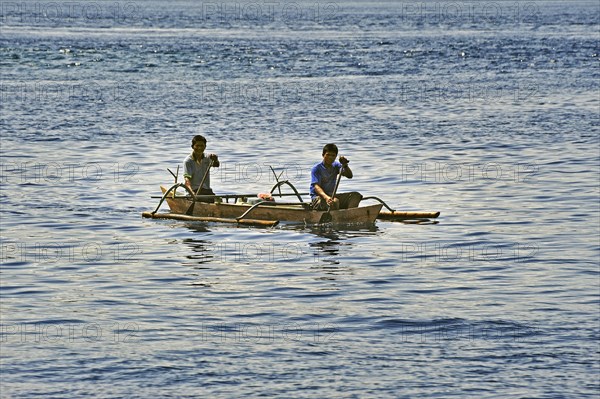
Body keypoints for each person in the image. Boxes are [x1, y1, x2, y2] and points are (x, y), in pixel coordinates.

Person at [310, 143, 362, 210]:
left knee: (356, 196)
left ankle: (350, 215)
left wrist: (345, 165)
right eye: (328, 155)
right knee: (335, 201)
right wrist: (326, 197)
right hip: (318, 198)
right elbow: (316, 187)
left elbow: (349, 175)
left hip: (332, 196)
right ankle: (337, 218)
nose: (330, 157)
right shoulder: (317, 168)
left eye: (333, 155)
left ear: (336, 156)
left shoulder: (336, 165)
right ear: (323, 155)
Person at [183, 135, 220, 201]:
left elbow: (216, 165)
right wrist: (192, 193)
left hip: (206, 191)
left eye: (202, 146)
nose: (199, 148)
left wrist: (215, 159)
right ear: (192, 146)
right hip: (194, 191)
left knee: (218, 200)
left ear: (205, 147)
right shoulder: (188, 161)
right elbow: (187, 180)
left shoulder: (207, 158)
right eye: (197, 146)